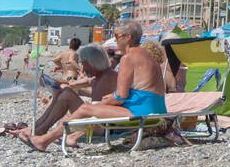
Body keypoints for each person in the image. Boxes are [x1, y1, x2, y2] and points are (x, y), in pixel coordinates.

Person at [23, 20, 166, 151]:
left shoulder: (128, 58)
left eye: (117, 36)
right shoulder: (146, 56)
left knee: (86, 108)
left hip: (142, 112)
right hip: (155, 110)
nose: (116, 40)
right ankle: (46, 136)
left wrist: (106, 101)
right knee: (88, 107)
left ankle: (44, 140)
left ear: (128, 37)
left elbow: (121, 96)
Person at [16, 43, 117, 136]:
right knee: (64, 89)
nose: (82, 69)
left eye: (84, 64)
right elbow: (71, 83)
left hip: (101, 125)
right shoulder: (99, 76)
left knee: (67, 94)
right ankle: (36, 127)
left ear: (94, 63)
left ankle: (39, 129)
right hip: (94, 119)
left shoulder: (108, 77)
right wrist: (55, 82)